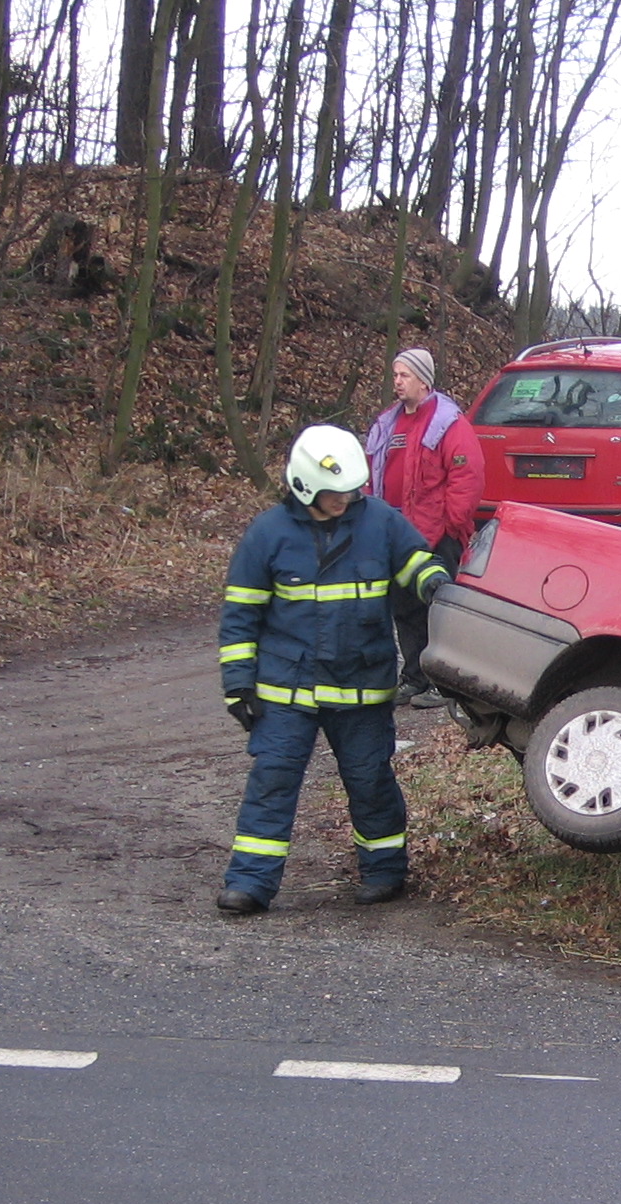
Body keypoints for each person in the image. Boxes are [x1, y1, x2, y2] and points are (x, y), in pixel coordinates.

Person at [215, 424, 450, 915]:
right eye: (333, 492)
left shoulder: (381, 522)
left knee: (370, 780)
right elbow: (241, 615)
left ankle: (384, 871)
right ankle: (251, 882)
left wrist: (435, 584)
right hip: (287, 689)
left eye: (350, 490)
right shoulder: (267, 536)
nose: (344, 499)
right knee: (273, 780)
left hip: (360, 687)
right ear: (303, 486)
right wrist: (238, 685)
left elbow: (415, 561)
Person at [365, 347, 484, 709]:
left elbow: (468, 475)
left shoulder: (449, 424)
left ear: (423, 379)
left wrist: (452, 523)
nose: (396, 382)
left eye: (403, 375)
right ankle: (414, 677)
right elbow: (372, 474)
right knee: (404, 609)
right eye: (395, 374)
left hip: (437, 535)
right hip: (397, 536)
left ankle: (444, 682)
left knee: (439, 607)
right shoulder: (388, 422)